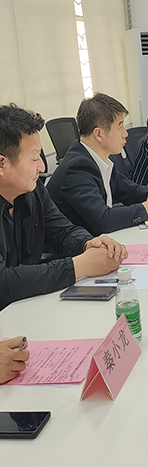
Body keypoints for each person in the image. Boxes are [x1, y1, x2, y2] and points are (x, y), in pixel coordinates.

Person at [0, 104, 126, 311]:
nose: (42, 167)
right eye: (34, 158)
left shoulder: (34, 191)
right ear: (2, 164)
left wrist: (89, 244)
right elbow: (3, 282)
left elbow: (63, 231)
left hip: (27, 307)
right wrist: (80, 266)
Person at [48, 93, 148, 236]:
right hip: (78, 246)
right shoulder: (77, 168)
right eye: (120, 126)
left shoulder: (96, 158)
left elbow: (128, 191)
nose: (125, 133)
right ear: (99, 134)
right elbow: (103, 220)